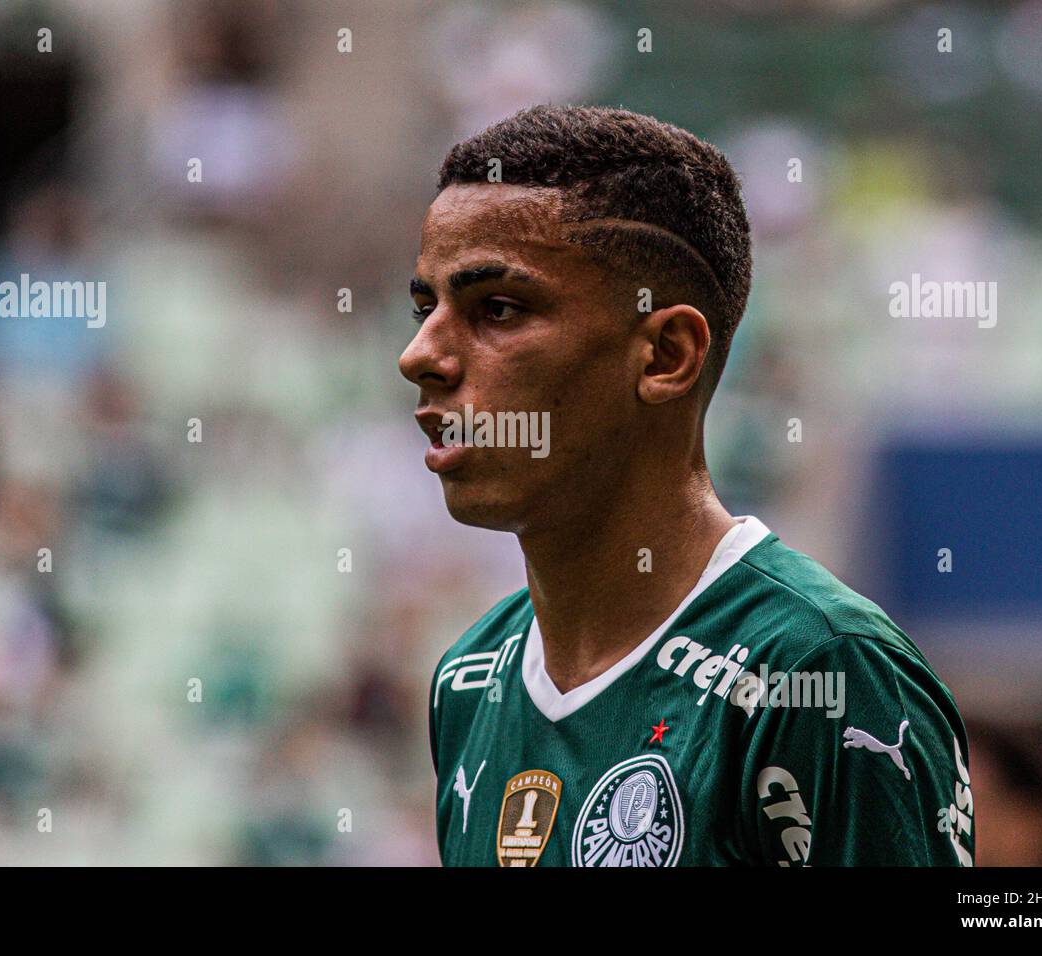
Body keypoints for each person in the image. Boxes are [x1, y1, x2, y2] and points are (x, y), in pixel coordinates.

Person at [400, 105, 972, 866]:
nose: (419, 355)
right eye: (424, 307)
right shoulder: (470, 679)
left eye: (496, 309)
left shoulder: (819, 670)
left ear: (667, 355)